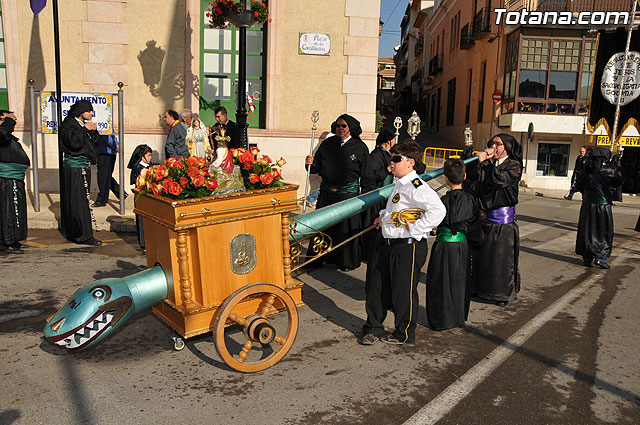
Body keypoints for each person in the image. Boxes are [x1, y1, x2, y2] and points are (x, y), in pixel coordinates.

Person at [361, 141, 445, 346]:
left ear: (410, 162)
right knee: (376, 287)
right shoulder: (399, 183)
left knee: (403, 291)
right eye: (392, 158)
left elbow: (438, 210)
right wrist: (382, 216)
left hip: (408, 245)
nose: (392, 162)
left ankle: (404, 332)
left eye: (396, 159)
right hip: (387, 242)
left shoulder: (417, 185)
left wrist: (415, 229)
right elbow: (395, 209)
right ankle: (373, 327)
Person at [305, 113, 374, 271]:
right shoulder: (327, 144)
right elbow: (315, 168)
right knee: (323, 226)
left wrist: (366, 196)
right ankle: (318, 259)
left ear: (350, 128)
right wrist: (309, 163)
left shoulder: (360, 147)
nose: (340, 128)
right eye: (337, 125)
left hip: (347, 195)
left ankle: (345, 261)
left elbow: (367, 173)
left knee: (345, 229)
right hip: (327, 194)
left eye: (344, 126)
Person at [463, 133, 522, 307]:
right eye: (492, 143)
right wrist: (470, 159)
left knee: (501, 260)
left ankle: (502, 293)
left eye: (498, 144)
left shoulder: (514, 165)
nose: (493, 147)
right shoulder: (489, 164)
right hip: (484, 218)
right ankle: (481, 289)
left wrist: (485, 162)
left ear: (507, 147)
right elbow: (474, 179)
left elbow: (500, 180)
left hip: (502, 221)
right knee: (482, 258)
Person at [425, 158, 480, 331]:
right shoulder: (471, 200)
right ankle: (457, 318)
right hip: (461, 245)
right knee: (459, 280)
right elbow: (475, 226)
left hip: (443, 245)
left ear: (446, 178)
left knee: (439, 281)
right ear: (464, 176)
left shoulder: (441, 202)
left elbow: (433, 224)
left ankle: (440, 319)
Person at [59, 99, 102, 246]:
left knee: (82, 200)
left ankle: (79, 232)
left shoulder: (82, 125)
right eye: (89, 111)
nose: (91, 113)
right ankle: (82, 235)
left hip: (84, 165)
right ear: (81, 112)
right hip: (75, 168)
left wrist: (93, 131)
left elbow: (93, 143)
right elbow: (74, 143)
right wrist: (85, 129)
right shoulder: (69, 124)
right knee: (78, 202)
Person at [574, 146, 623, 269]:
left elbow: (579, 185)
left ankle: (587, 257)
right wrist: (616, 164)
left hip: (587, 205)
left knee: (586, 230)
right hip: (602, 206)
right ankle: (601, 257)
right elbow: (619, 180)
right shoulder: (609, 171)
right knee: (602, 231)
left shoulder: (586, 171)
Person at [0, 110, 29, 253]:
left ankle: (13, 239)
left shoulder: (10, 137)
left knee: (15, 212)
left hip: (15, 179)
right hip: (6, 179)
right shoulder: (1, 135)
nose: (11, 123)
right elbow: (2, 134)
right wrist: (8, 120)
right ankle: (6, 242)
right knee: (8, 211)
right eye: (6, 120)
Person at [128, 144, 153, 249]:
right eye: (148, 155)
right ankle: (143, 243)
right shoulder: (138, 168)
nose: (150, 158)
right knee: (141, 219)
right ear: (142, 156)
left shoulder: (148, 166)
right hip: (141, 196)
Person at [93, 134, 126, 207]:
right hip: (106, 152)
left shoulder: (103, 125)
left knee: (103, 177)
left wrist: (115, 147)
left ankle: (101, 200)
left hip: (105, 153)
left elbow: (108, 138)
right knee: (106, 176)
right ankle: (121, 193)